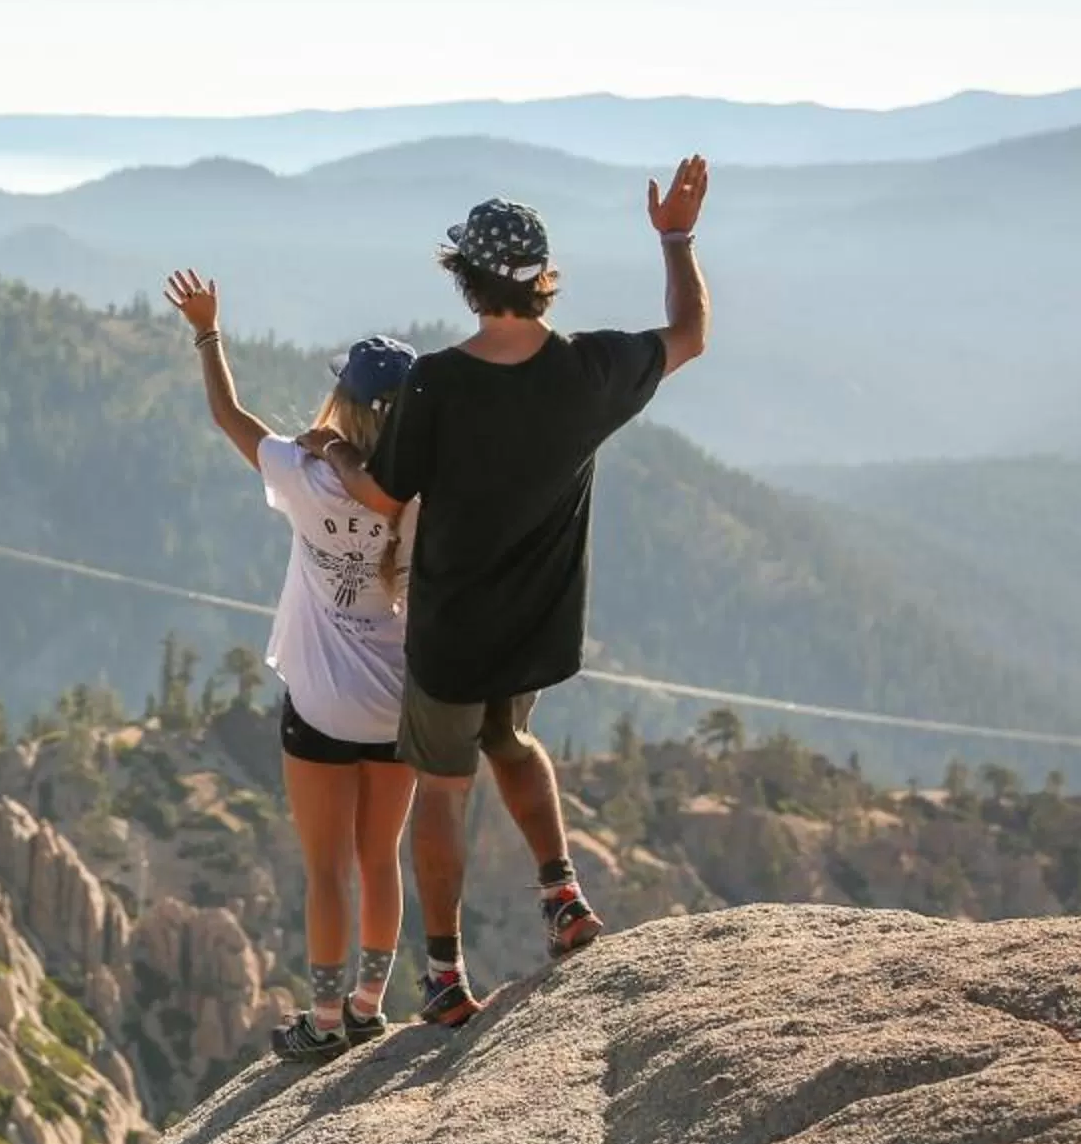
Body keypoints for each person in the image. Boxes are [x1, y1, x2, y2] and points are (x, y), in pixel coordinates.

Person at [329, 158, 711, 1027]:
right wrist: (677, 239)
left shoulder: (436, 380)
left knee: (442, 786)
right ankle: (563, 895)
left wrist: (340, 454)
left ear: (464, 279)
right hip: (536, 625)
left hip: (454, 631)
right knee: (512, 738)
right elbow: (690, 332)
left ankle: (443, 975)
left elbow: (385, 498)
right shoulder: (590, 371)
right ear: (543, 279)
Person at [165, 268, 421, 1063]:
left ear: (342, 401)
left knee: (325, 869)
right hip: (398, 706)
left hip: (317, 705)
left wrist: (207, 332)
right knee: (380, 857)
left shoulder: (304, 475)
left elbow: (227, 415)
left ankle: (322, 1015)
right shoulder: (422, 492)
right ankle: (372, 1003)